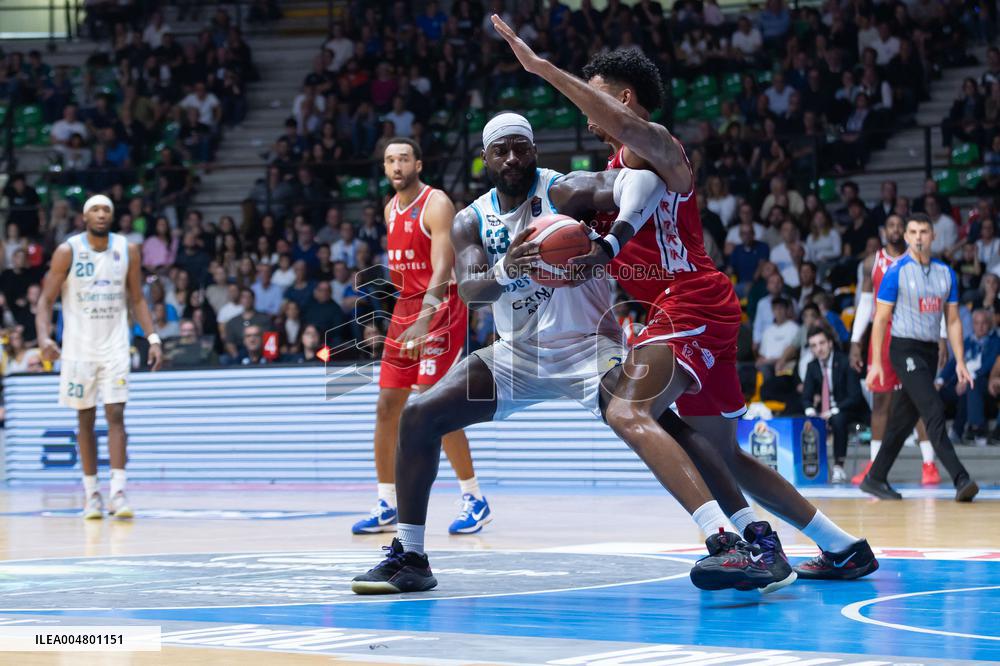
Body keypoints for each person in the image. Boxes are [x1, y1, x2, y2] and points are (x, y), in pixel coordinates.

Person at [489, 29, 875, 581]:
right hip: (698, 308)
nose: (586, 114)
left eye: (593, 97)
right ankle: (844, 547)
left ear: (620, 98)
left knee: (627, 409)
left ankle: (735, 543)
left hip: (689, 300)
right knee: (724, 458)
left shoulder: (660, 149)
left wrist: (544, 68)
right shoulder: (609, 180)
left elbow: (626, 131)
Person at [352, 114, 792, 596]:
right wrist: (506, 268)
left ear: (535, 151)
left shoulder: (563, 191)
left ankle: (736, 536)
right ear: (486, 159)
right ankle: (411, 557)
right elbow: (474, 293)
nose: (513, 158)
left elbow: (637, 180)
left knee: (659, 423)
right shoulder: (470, 218)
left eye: (522, 147)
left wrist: (615, 236)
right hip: (515, 357)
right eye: (502, 150)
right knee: (417, 415)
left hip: (588, 348)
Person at [352, 138, 488, 536]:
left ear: (419, 164)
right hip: (406, 309)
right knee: (387, 405)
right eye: (390, 160)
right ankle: (386, 503)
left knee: (431, 401)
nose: (396, 166)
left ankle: (474, 498)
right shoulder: (390, 208)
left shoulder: (436, 203)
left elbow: (443, 266)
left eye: (403, 159)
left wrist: (425, 317)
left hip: (441, 307)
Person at [35, 195, 163, 520]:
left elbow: (137, 300)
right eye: (95, 209)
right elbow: (45, 301)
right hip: (78, 349)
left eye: (106, 209)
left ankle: (118, 493)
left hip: (115, 345)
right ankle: (91, 494)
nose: (101, 213)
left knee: (116, 414)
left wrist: (153, 337)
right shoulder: (68, 251)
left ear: (113, 215)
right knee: (85, 420)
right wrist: (44, 337)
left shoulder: (126, 250)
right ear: (84, 216)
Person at [862, 214, 979, 502]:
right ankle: (961, 478)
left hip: (928, 348)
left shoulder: (945, 273)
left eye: (923, 232)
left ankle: (875, 478)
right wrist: (876, 361)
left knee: (902, 420)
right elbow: (880, 320)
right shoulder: (896, 272)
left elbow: (952, 321)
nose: (918, 237)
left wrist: (960, 360)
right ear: (906, 236)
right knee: (933, 408)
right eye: (912, 231)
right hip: (904, 349)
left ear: (933, 236)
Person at [849, 214, 942, 486]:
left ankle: (929, 465)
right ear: (884, 230)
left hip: (912, 336)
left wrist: (943, 337)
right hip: (882, 336)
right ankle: (875, 467)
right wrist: (856, 341)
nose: (895, 229)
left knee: (918, 401)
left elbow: (936, 299)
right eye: (890, 225)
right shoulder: (872, 262)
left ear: (906, 232)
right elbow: (866, 305)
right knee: (880, 403)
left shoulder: (917, 262)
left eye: (900, 226)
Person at [802, 327, 868, 482]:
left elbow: (855, 396)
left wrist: (833, 410)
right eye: (814, 346)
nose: (819, 349)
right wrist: (810, 410)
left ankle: (839, 466)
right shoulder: (812, 367)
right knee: (808, 421)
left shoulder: (845, 361)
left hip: (851, 410)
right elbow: (806, 397)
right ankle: (814, 468)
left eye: (822, 343)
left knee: (838, 418)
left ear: (830, 343)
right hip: (825, 412)